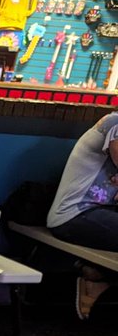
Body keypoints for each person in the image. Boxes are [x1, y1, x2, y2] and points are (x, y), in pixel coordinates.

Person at [46, 111, 118, 319]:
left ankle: (98, 276)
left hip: (101, 213)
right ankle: (99, 276)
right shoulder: (114, 122)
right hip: (75, 215)